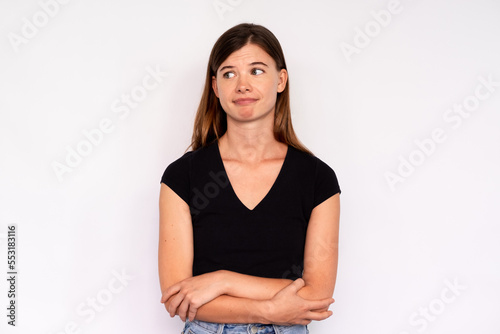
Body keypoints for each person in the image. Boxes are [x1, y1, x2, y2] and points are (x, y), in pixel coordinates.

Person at [158, 23, 341, 334]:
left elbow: (316, 297)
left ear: (281, 80)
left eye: (256, 71)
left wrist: (221, 280)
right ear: (215, 87)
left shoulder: (316, 178)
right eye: (229, 74)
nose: (242, 85)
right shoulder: (182, 176)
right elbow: (177, 297)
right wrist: (269, 309)